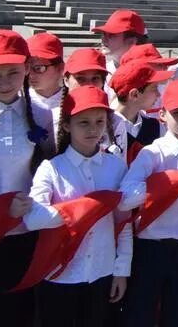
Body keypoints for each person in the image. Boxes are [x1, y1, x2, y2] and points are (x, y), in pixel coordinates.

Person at [29, 86, 131, 327]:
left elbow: (123, 222)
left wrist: (122, 269)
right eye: (83, 122)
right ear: (66, 126)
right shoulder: (52, 168)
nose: (93, 129)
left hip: (101, 271)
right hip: (59, 275)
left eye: (99, 121)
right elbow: (32, 217)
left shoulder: (116, 167)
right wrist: (81, 210)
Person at [118, 79, 178, 327]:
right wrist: (165, 185)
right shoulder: (152, 154)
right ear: (162, 114)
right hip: (152, 248)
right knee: (140, 314)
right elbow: (125, 198)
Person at [0, 30, 57, 323]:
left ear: (27, 68)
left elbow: (50, 168)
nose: (4, 82)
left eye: (13, 72)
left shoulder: (41, 114)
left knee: (20, 313)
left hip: (25, 234)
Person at [108, 56, 174, 161]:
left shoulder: (156, 127)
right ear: (134, 94)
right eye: (154, 88)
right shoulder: (105, 128)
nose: (158, 94)